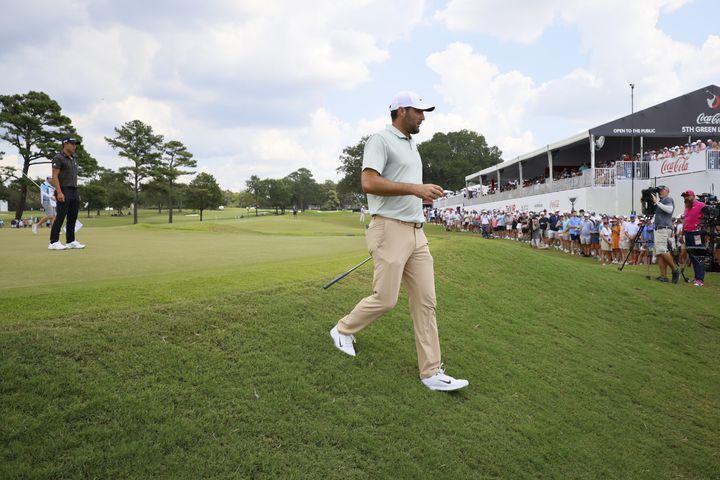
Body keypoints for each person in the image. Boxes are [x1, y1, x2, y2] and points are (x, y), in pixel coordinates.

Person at [329, 91, 468, 392]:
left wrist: (424, 192)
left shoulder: (412, 145)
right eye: (419, 111)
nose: (423, 117)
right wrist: (415, 189)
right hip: (389, 229)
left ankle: (431, 372)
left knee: (426, 303)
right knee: (386, 299)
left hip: (417, 234)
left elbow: (408, 188)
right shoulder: (380, 140)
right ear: (401, 111)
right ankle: (342, 329)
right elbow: (369, 182)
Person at [49, 137, 85, 250]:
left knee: (72, 217)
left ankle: (70, 241)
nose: (75, 146)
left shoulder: (72, 158)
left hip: (74, 190)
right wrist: (59, 192)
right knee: (60, 216)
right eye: (72, 144)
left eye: (75, 144)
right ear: (65, 144)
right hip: (63, 190)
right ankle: (53, 242)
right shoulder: (58, 158)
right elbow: (54, 176)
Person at [651, 185, 680, 283]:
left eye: (662, 190)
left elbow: (669, 210)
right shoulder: (661, 202)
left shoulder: (668, 199)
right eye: (659, 191)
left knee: (662, 250)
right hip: (659, 228)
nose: (660, 192)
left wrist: (657, 202)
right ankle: (663, 276)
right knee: (659, 253)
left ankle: (675, 269)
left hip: (663, 228)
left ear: (667, 191)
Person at [680, 190, 706, 286]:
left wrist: (704, 230)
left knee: (698, 255)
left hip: (697, 234)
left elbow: (707, 218)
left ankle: (700, 279)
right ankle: (696, 277)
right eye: (684, 197)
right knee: (692, 256)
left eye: (687, 196)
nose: (686, 198)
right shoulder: (687, 208)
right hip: (688, 233)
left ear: (693, 196)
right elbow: (685, 222)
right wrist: (681, 234)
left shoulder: (701, 205)